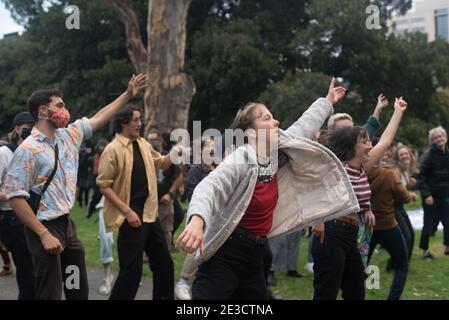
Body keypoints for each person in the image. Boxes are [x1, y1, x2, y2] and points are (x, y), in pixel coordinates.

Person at [177, 78, 360, 300]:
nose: (276, 122)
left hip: (256, 255)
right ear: (252, 132)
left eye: (273, 117)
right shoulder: (242, 157)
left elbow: (304, 125)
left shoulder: (275, 154)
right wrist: (197, 221)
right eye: (267, 118)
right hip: (227, 254)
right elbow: (210, 186)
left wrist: (328, 100)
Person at [5, 73, 148, 300]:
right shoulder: (27, 151)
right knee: (49, 292)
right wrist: (43, 234)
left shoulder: (68, 135)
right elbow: (15, 197)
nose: (65, 109)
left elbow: (100, 117)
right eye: (59, 105)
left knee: (76, 287)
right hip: (43, 227)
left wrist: (128, 94)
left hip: (66, 226)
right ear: (43, 111)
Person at [312, 97, 408, 300]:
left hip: (350, 234)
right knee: (326, 293)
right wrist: (319, 220)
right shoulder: (336, 167)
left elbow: (385, 142)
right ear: (350, 146)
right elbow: (315, 189)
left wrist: (398, 111)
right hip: (330, 233)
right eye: (364, 142)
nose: (370, 145)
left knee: (356, 291)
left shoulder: (361, 168)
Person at [97, 104, 181, 300]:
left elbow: (161, 162)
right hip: (130, 215)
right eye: (136, 120)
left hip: (150, 214)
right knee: (131, 271)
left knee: (164, 264)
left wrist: (177, 152)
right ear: (124, 122)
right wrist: (127, 212)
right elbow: (104, 186)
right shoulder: (112, 149)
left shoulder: (143, 143)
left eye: (139, 119)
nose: (139, 123)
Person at [368, 146, 413, 300]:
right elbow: (405, 197)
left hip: (368, 226)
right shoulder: (389, 175)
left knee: (360, 264)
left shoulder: (360, 173)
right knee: (402, 265)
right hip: (388, 225)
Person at [175, 138, 217, 300]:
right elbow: (191, 193)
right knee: (197, 246)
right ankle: (183, 282)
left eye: (214, 146)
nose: (212, 148)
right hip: (202, 216)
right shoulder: (197, 170)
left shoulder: (219, 167)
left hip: (217, 217)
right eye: (208, 146)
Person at [0, 111, 35, 298]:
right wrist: (14, 195)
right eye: (27, 129)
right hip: (12, 219)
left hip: (34, 215)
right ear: (16, 129)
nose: (31, 132)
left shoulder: (34, 152)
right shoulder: (4, 153)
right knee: (28, 272)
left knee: (38, 270)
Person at [418, 126, 449, 259]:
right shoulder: (428, 155)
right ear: (433, 140)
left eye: (441, 136)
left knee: (448, 222)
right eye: (436, 138)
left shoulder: (448, 152)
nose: (439, 139)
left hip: (445, 195)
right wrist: (426, 195)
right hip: (430, 196)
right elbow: (421, 177)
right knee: (428, 224)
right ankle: (425, 251)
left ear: (445, 137)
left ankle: (448, 247)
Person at [392, 144, 418, 262]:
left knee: (411, 236)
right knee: (406, 237)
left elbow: (402, 189)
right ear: (397, 159)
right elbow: (398, 192)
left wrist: (408, 186)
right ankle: (396, 263)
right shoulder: (396, 171)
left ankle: (404, 263)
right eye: (401, 155)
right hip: (393, 208)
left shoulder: (406, 171)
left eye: (406, 154)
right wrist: (410, 194)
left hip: (400, 207)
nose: (404, 156)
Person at [86, 139, 109, 218]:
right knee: (95, 196)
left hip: (105, 177)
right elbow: (95, 171)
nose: (101, 150)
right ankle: (89, 212)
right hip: (97, 178)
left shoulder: (107, 155)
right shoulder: (96, 157)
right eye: (101, 148)